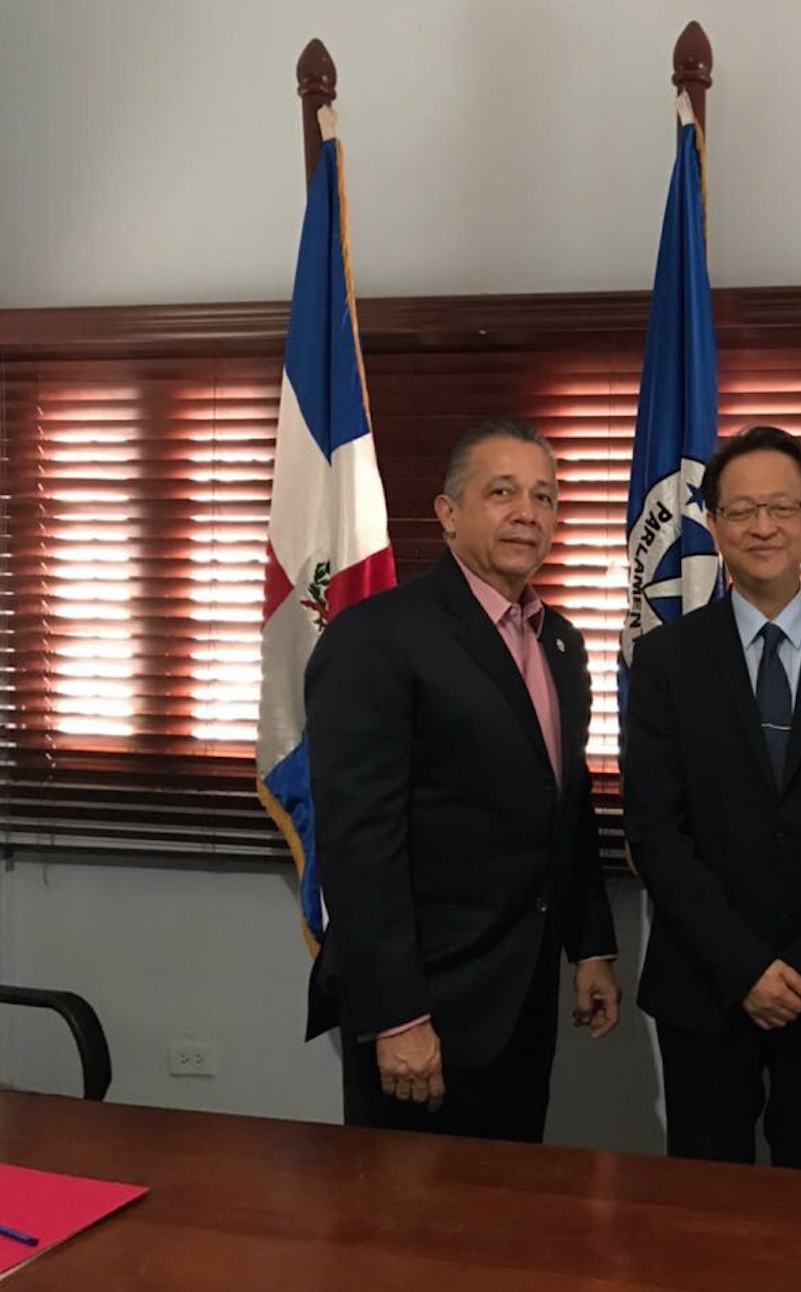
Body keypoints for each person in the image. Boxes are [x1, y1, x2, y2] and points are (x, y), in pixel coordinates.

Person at [304, 419, 619, 1141]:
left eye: (544, 496)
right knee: (407, 1233)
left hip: (524, 1002)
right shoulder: (378, 637)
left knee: (505, 1228)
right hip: (425, 1008)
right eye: (501, 492)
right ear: (448, 514)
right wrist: (396, 1016)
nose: (527, 513)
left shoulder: (558, 642)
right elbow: (359, 845)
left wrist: (590, 945)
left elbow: (564, 809)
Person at [623, 424, 801, 1173]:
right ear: (712, 524)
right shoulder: (664, 660)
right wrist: (744, 968)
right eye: (742, 510)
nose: (763, 527)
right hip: (704, 986)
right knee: (708, 1210)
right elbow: (655, 832)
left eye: (782, 508)